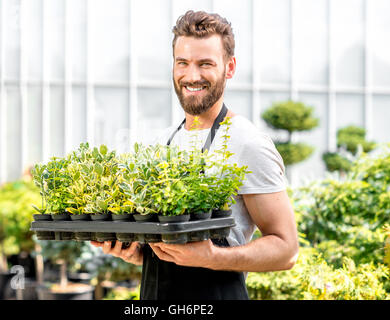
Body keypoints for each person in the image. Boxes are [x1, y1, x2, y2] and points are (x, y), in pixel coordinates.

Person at [91, 10, 299, 300]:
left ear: (229, 67)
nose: (192, 75)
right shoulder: (161, 143)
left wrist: (212, 256)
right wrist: (136, 252)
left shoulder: (246, 142)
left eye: (205, 64)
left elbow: (286, 249)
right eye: (183, 63)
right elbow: (169, 252)